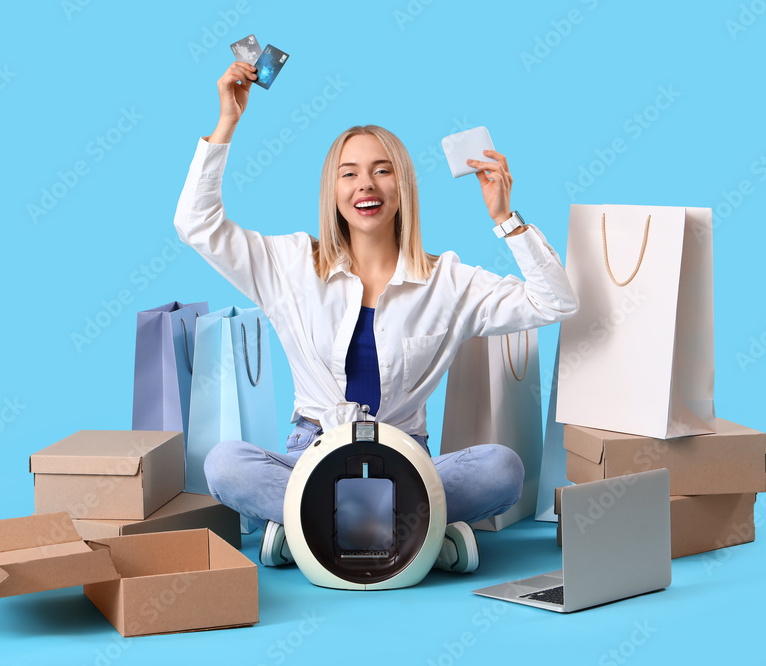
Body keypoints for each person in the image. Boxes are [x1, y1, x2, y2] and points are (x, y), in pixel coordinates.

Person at [174, 61, 579, 573]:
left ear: (402, 185)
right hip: (313, 455)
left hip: (407, 464)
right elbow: (196, 225)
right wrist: (226, 123)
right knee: (225, 464)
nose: (366, 184)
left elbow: (555, 303)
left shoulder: (449, 281)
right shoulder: (291, 264)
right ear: (334, 190)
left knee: (503, 469)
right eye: (350, 173)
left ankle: (310, 531)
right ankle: (417, 535)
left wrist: (505, 219)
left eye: (382, 170)